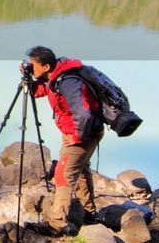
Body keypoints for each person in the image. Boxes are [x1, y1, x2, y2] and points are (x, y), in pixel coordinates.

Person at [21, 46, 104, 233]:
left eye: (33, 65)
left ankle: (56, 224)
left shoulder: (68, 82)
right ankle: (90, 214)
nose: (31, 68)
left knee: (63, 175)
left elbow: (84, 113)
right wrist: (28, 80)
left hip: (81, 134)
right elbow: (41, 91)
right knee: (81, 170)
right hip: (86, 132)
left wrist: (76, 139)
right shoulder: (57, 76)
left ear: (46, 66)